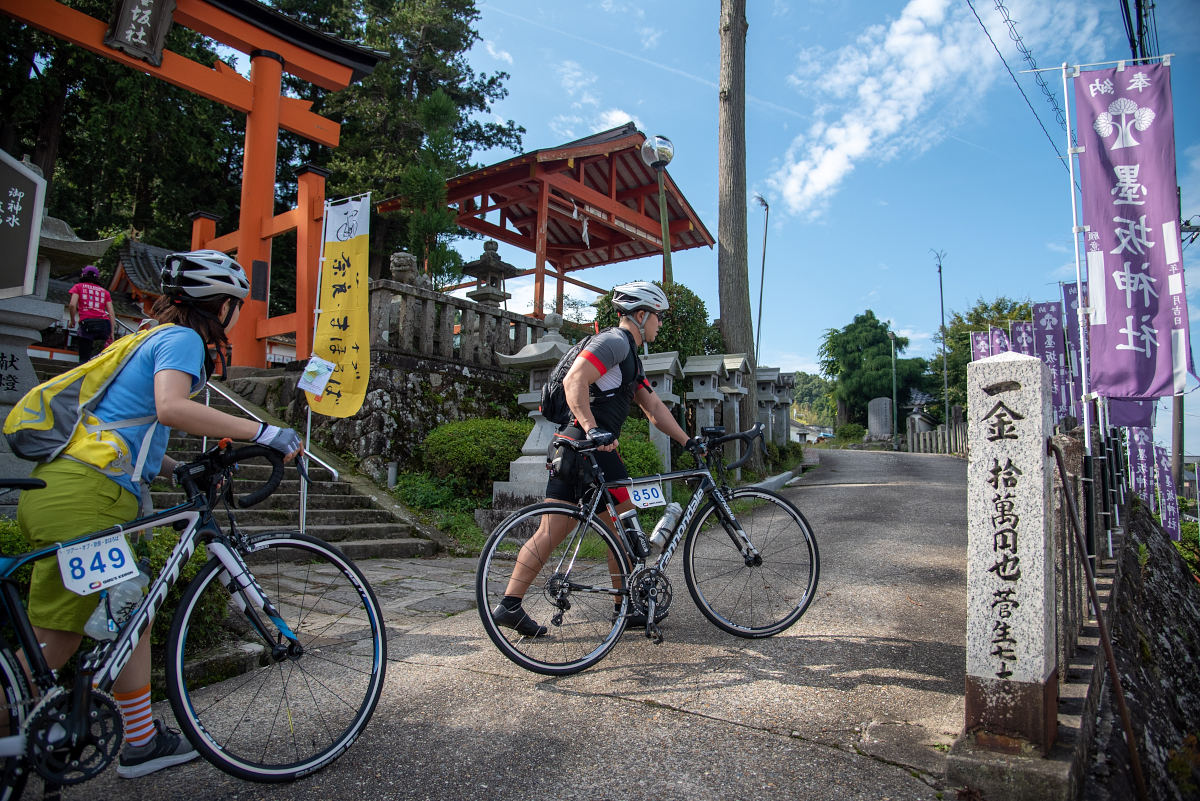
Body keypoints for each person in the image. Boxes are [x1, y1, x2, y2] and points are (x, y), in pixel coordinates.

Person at [17, 249, 303, 779]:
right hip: (89, 496)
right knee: (96, 621)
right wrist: (264, 431)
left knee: (94, 621)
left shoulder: (144, 337)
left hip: (63, 488)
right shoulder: (184, 340)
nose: (237, 315)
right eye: (236, 305)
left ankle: (93, 734)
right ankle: (104, 738)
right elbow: (171, 408)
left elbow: (128, 425)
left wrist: (172, 469)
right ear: (221, 306)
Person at [492, 281, 704, 636]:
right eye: (658, 317)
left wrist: (687, 440)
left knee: (553, 531)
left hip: (573, 448)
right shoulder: (615, 342)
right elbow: (575, 379)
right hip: (593, 451)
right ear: (640, 315)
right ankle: (626, 609)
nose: (660, 324)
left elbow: (652, 407)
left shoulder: (629, 358)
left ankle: (510, 605)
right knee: (620, 530)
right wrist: (592, 429)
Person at [67, 264, 117, 362]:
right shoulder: (105, 292)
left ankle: (84, 373)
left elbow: (72, 305)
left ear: (83, 275)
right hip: (104, 325)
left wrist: (72, 320)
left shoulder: (78, 287)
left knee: (84, 357)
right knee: (102, 356)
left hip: (87, 324)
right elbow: (111, 312)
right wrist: (112, 332)